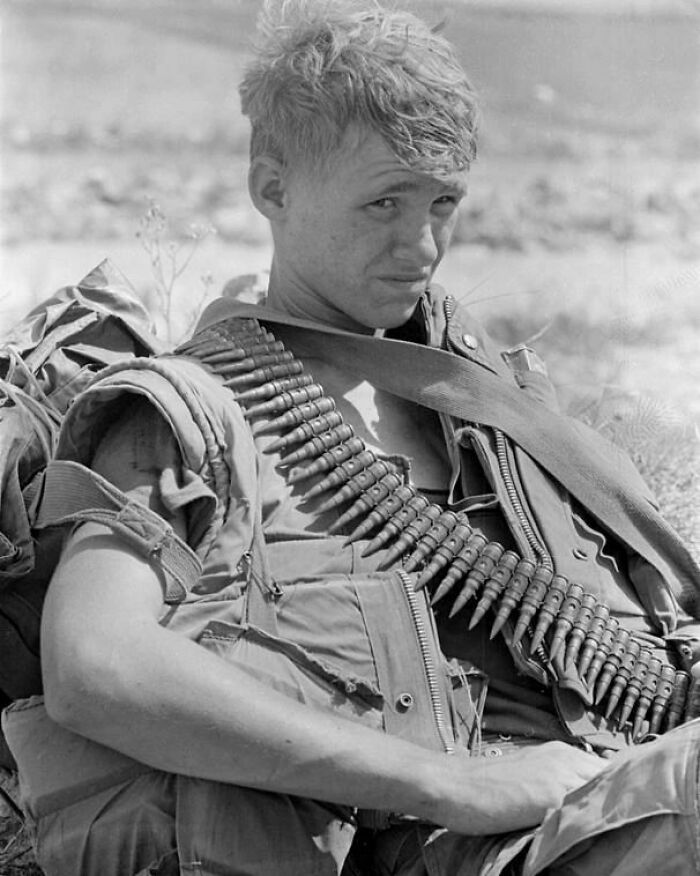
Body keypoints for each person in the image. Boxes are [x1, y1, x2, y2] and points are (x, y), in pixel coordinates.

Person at [4, 2, 700, 874]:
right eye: (383, 202)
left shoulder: (482, 404)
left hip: (615, 790)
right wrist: (452, 784)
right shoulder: (195, 415)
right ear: (273, 189)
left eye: (443, 202)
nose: (422, 246)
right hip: (448, 845)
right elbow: (93, 664)